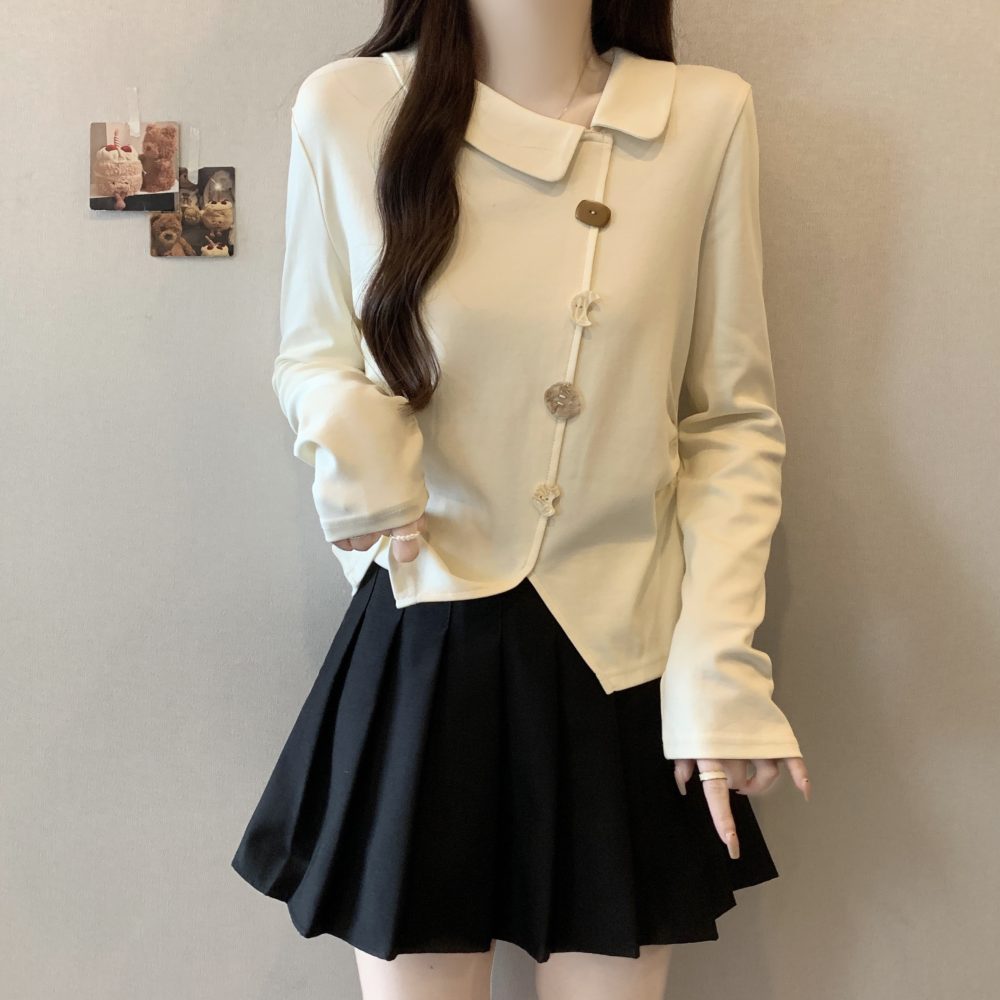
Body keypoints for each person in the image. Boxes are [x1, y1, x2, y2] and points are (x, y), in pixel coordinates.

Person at [231, 1, 812, 996]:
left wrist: (718, 664)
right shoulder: (348, 106)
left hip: (621, 654)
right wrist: (357, 447)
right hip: (427, 632)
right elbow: (312, 354)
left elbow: (728, 422)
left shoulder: (703, 116)